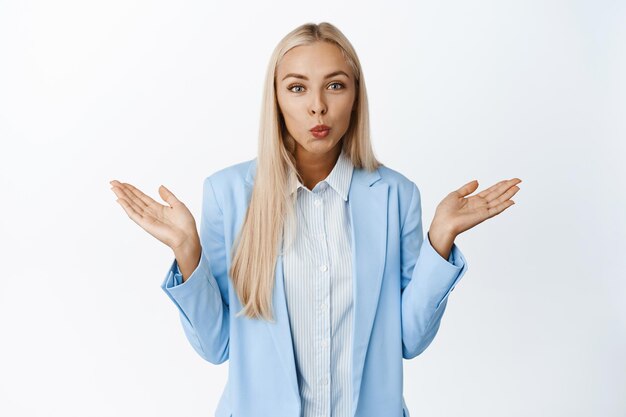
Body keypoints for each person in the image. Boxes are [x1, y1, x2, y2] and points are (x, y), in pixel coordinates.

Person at [110, 21, 521, 417]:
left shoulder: (396, 195)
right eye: (297, 88)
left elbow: (409, 340)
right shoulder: (228, 194)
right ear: (276, 98)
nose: (317, 105)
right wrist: (187, 251)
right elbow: (215, 345)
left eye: (335, 85)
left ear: (356, 95)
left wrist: (440, 239)